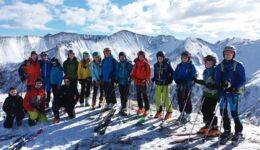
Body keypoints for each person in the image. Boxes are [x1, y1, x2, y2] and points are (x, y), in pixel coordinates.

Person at [214, 46, 246, 143]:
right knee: (223, 112)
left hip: (233, 93)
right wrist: (220, 86)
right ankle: (227, 131)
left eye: (230, 53)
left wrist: (234, 88)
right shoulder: (220, 66)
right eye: (226, 54)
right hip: (223, 93)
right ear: (223, 54)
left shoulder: (238, 65)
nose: (227, 55)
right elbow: (217, 79)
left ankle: (238, 132)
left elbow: (242, 80)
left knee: (234, 113)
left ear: (233, 54)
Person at [193, 55, 220, 136]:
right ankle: (208, 124)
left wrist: (215, 86)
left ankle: (214, 127)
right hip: (205, 94)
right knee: (203, 109)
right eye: (206, 62)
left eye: (210, 63)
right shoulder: (205, 71)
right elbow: (205, 82)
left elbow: (218, 82)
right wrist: (197, 81)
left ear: (213, 63)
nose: (208, 64)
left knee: (210, 111)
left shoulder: (215, 71)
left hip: (213, 95)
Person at [173, 51, 197, 123]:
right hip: (179, 86)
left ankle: (188, 114)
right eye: (183, 57)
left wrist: (187, 80)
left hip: (187, 86)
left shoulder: (191, 66)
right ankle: (182, 113)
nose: (184, 59)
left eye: (185, 58)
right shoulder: (179, 66)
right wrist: (177, 80)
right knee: (180, 100)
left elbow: (194, 75)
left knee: (187, 100)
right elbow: (175, 74)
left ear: (188, 58)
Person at [152, 51, 174, 120]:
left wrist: (170, 80)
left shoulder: (167, 64)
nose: (160, 59)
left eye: (161, 57)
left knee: (166, 98)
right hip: (158, 83)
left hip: (165, 84)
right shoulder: (156, 65)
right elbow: (155, 73)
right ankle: (159, 111)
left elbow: (172, 72)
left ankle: (169, 112)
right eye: (159, 58)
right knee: (158, 98)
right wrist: (154, 78)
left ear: (164, 58)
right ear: (157, 58)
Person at [132, 50, 151, 116]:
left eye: (142, 56)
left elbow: (149, 74)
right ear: (138, 56)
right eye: (140, 56)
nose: (141, 57)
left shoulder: (146, 64)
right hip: (137, 82)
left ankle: (147, 109)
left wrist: (146, 79)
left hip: (143, 82)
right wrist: (133, 78)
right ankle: (141, 108)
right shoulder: (136, 64)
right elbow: (133, 73)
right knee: (138, 96)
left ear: (144, 57)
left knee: (145, 96)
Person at [116, 52, 133, 116]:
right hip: (120, 82)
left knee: (125, 95)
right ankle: (123, 107)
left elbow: (132, 71)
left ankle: (124, 107)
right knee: (122, 95)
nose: (122, 58)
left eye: (123, 57)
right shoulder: (118, 64)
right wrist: (116, 79)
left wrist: (131, 77)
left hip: (126, 82)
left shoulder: (128, 64)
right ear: (119, 58)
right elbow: (117, 72)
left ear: (125, 57)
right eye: (120, 57)